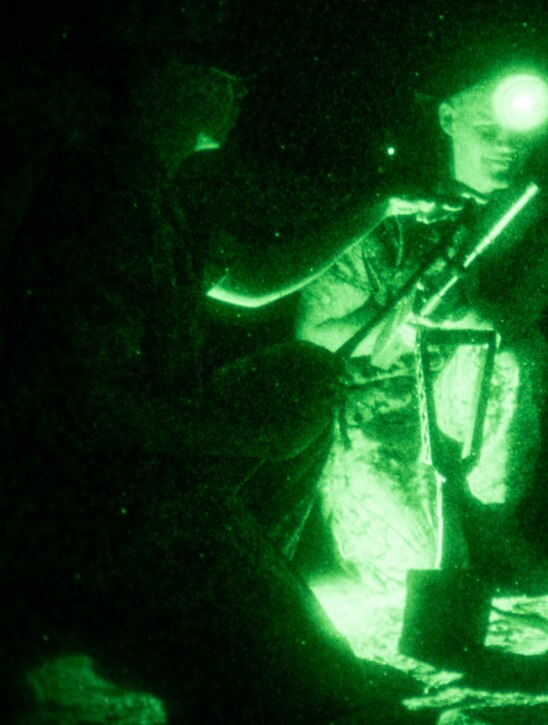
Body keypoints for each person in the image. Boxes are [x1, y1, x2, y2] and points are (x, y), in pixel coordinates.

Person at [0, 52, 426, 723]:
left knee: (304, 374)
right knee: (319, 693)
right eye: (220, 76)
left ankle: (250, 602)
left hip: (136, 468)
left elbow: (252, 279)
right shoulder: (103, 202)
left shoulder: (156, 190)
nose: (239, 92)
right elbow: (93, 404)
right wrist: (254, 434)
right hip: (85, 495)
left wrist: (379, 205)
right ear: (158, 83)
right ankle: (224, 619)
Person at [295, 64, 548, 598]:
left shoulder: (541, 214)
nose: (505, 148)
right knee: (416, 574)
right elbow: (315, 335)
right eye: (488, 132)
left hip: (459, 403)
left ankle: (495, 528)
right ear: (447, 117)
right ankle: (436, 534)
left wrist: (465, 311)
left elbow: (521, 320)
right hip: (377, 409)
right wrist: (399, 325)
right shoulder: (387, 210)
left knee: (516, 354)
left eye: (518, 137)